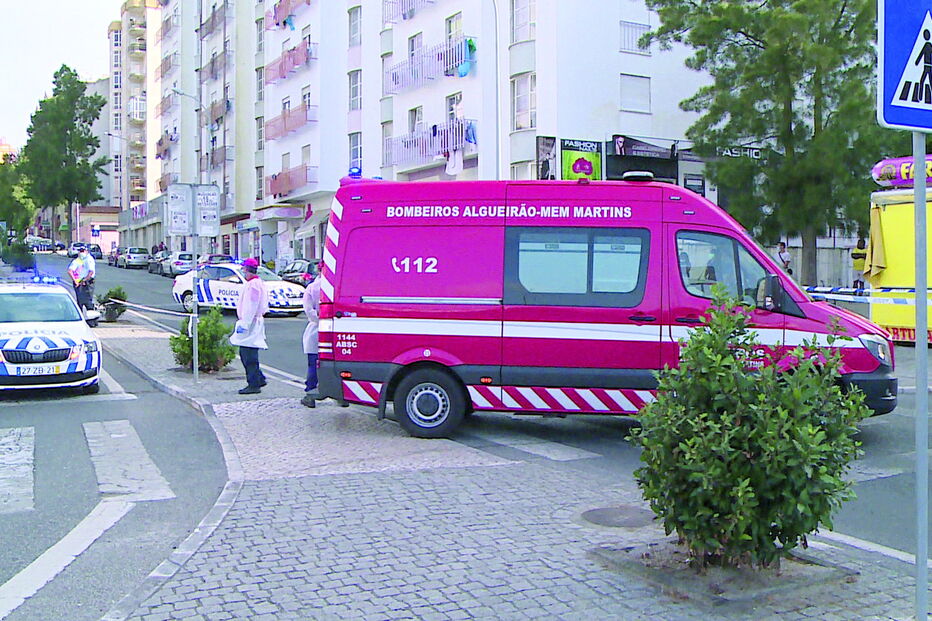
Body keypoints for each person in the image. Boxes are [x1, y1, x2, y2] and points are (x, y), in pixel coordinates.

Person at [232, 258, 269, 395]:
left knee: (248, 354)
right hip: (253, 322)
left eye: (244, 269)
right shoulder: (257, 283)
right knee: (248, 352)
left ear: (247, 270)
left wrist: (245, 324)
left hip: (251, 322)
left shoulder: (253, 285)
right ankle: (259, 378)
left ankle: (253, 383)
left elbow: (250, 306)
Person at [301, 264, 322, 408]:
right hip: (335, 328)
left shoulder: (312, 288)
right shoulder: (335, 287)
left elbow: (308, 310)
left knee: (313, 364)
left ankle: (310, 394)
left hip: (316, 329)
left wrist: (320, 318)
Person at [67, 245, 96, 311]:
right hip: (79, 283)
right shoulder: (78, 260)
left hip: (87, 282)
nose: (81, 253)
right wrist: (75, 281)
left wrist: (85, 280)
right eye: (80, 251)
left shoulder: (89, 259)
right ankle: (80, 317)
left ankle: (90, 319)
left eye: (82, 251)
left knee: (88, 302)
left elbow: (91, 272)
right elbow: (70, 271)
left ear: (87, 251)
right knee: (80, 302)